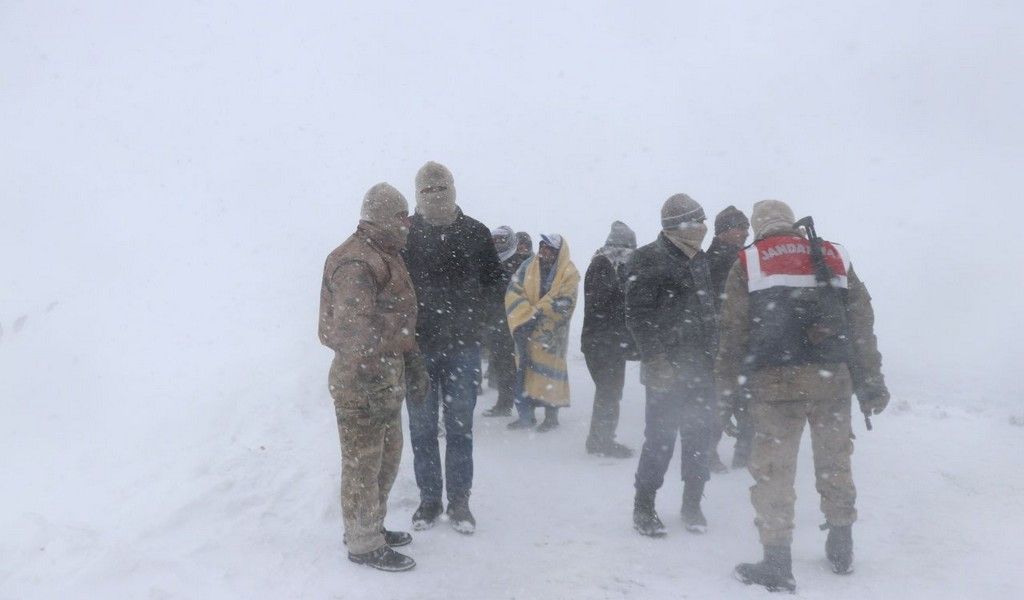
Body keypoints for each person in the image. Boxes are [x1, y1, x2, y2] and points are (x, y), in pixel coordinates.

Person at [716, 200, 889, 592]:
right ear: (791, 222)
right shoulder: (833, 254)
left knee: (774, 471)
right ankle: (841, 546)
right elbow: (861, 323)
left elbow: (733, 335)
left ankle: (777, 562)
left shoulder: (749, 261)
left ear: (759, 226)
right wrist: (871, 381)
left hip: (775, 385)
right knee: (835, 461)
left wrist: (725, 395)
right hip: (833, 381)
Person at [318, 183, 431, 572]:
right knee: (363, 464)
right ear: (383, 218)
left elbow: (394, 318)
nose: (408, 224)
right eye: (402, 217)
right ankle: (363, 543)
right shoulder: (356, 262)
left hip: (383, 379)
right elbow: (353, 331)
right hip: (362, 383)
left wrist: (411, 362)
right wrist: (401, 342)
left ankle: (371, 527)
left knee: (385, 460)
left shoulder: (384, 253)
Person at [401, 161, 504, 534]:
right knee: (422, 430)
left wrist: (480, 326)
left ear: (453, 188)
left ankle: (460, 502)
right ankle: (430, 500)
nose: (435, 195)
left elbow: (495, 285)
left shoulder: (475, 233)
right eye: (427, 190)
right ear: (417, 194)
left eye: (441, 187)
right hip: (418, 350)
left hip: (463, 347)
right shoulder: (406, 235)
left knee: (460, 429)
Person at [625, 194, 719, 537]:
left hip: (703, 368)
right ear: (680, 225)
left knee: (700, 436)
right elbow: (637, 315)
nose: (704, 227)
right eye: (699, 221)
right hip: (665, 368)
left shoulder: (701, 259)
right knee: (660, 438)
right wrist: (655, 359)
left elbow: (710, 312)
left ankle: (692, 504)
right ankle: (644, 506)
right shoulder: (648, 257)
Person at [505, 234, 580, 431]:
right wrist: (524, 316)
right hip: (525, 330)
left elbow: (566, 300)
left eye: (549, 248)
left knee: (550, 375)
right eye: (542, 246)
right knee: (524, 373)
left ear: (558, 252)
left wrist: (537, 312)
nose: (544, 251)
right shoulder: (527, 266)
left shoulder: (568, 271)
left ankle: (551, 417)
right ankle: (526, 416)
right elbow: (513, 291)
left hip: (551, 334)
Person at [581, 221, 639, 458]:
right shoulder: (604, 265)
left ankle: (600, 438)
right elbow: (602, 304)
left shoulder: (607, 264)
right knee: (609, 391)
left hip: (604, 342)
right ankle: (600, 442)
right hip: (603, 343)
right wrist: (626, 291)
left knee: (609, 391)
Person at [705, 206, 752, 472]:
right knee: (723, 402)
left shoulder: (741, 258)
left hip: (737, 342)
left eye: (747, 227)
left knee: (740, 403)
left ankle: (741, 457)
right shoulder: (714, 261)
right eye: (741, 227)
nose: (746, 232)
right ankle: (713, 455)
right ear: (724, 231)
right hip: (722, 344)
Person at [482, 226, 531, 417]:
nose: (498, 244)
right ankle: (504, 403)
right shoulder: (490, 262)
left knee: (516, 365)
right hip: (494, 321)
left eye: (502, 240)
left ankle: (523, 408)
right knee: (500, 364)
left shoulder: (520, 264)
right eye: (494, 240)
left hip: (515, 322)